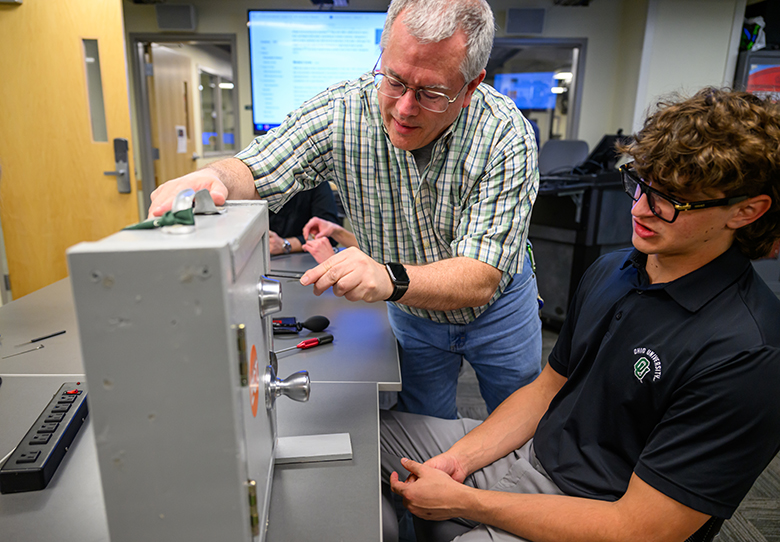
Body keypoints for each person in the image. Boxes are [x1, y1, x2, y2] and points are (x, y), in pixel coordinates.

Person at [380, 87, 780, 542]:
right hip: (531, 457)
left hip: (594, 514)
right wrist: (461, 459)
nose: (640, 207)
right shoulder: (615, 269)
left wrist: (466, 501)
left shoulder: (750, 354)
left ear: (747, 211)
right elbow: (549, 387)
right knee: (361, 433)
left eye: (674, 201)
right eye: (641, 182)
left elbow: (640, 530)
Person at [147, 0, 541, 420]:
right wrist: (215, 178)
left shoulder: (505, 136)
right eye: (394, 80)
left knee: (521, 423)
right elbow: (260, 166)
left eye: (431, 93)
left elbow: (480, 277)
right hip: (413, 314)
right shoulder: (342, 112)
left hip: (498, 312)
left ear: (470, 87)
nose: (404, 108)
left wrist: (388, 276)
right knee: (427, 427)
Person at [268, 182, 340, 256]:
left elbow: (330, 235)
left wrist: (285, 244)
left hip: (305, 257)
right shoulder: (261, 183)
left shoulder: (316, 180)